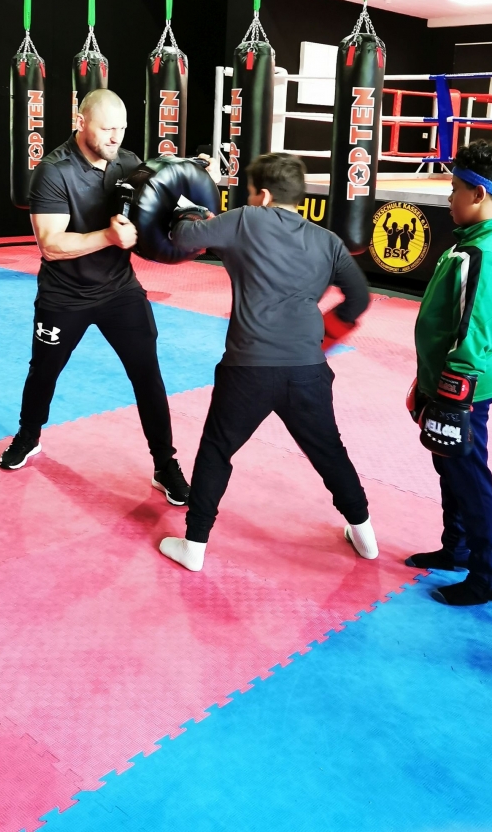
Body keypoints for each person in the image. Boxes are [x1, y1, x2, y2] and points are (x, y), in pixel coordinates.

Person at [157, 152, 377, 572]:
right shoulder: (328, 240)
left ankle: (194, 546)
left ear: (263, 195)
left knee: (217, 450)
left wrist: (189, 214)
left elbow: (184, 237)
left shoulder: (246, 220)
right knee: (330, 451)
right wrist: (323, 338)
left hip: (248, 369)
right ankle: (366, 537)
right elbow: (359, 299)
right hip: (307, 370)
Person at [0, 88, 190, 508]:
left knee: (148, 375)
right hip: (64, 294)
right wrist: (107, 236)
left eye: (121, 128)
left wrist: (189, 186)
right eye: (106, 129)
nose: (115, 137)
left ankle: (164, 464)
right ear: (80, 122)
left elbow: (158, 207)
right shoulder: (53, 171)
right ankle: (29, 435)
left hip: (120, 290)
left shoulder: (128, 162)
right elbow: (50, 245)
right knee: (43, 371)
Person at [404, 139, 492, 606]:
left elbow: (475, 331)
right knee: (449, 467)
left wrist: (452, 393)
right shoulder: (472, 242)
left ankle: (484, 576)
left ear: (478, 193)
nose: (449, 197)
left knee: (469, 477)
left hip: (465, 389)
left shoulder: (483, 254)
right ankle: (455, 548)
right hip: (445, 381)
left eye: (454, 188)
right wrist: (427, 381)